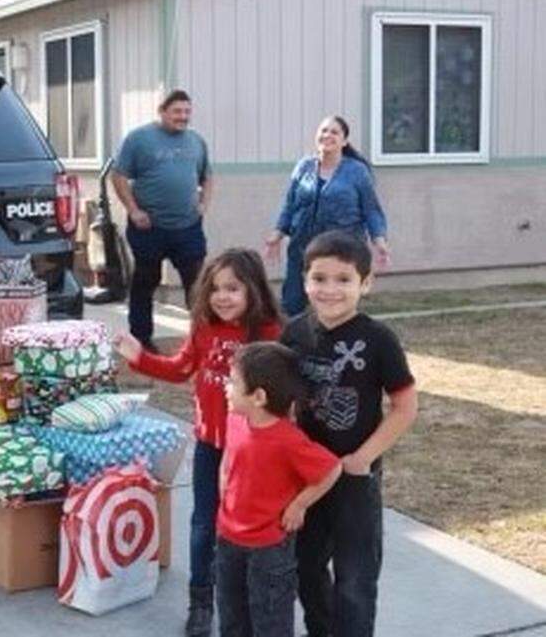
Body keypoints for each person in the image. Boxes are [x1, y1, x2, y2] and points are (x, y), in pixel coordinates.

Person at [114, 248, 281, 637]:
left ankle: (250, 600)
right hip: (210, 446)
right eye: (215, 288)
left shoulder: (269, 333)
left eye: (233, 288)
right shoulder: (205, 329)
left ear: (253, 291)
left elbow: (282, 395)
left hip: (252, 454)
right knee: (205, 524)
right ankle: (200, 601)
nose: (222, 297)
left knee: (251, 528)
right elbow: (180, 368)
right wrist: (140, 356)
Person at [280, 231, 418, 637]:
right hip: (306, 478)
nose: (330, 290)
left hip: (355, 478)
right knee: (305, 567)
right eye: (319, 278)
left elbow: (405, 407)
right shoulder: (295, 334)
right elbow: (280, 398)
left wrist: (361, 459)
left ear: (366, 283)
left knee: (355, 579)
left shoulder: (377, 339)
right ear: (304, 279)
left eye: (343, 279)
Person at [217, 342, 341, 637]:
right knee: (231, 615)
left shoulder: (288, 439)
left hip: (269, 548)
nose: (226, 386)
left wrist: (299, 504)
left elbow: (331, 469)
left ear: (259, 397)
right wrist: (224, 488)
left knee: (270, 620)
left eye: (233, 381)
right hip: (227, 539)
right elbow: (229, 459)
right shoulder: (235, 418)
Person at [112, 89, 213, 352]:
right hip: (149, 227)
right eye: (177, 111)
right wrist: (133, 210)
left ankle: (202, 340)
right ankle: (142, 340)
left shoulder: (196, 142)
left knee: (198, 284)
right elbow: (119, 176)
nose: (183, 117)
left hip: (188, 227)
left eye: (187, 112)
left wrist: (204, 204)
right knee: (146, 281)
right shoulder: (139, 139)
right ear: (162, 111)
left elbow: (207, 176)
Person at [264, 115, 390, 317]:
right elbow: (289, 204)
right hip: (302, 248)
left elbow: (371, 209)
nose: (327, 135)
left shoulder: (357, 171)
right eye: (323, 131)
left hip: (342, 250)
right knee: (292, 303)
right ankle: (291, 346)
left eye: (334, 132)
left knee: (336, 304)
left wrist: (379, 240)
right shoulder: (304, 166)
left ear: (344, 141)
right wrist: (277, 233)